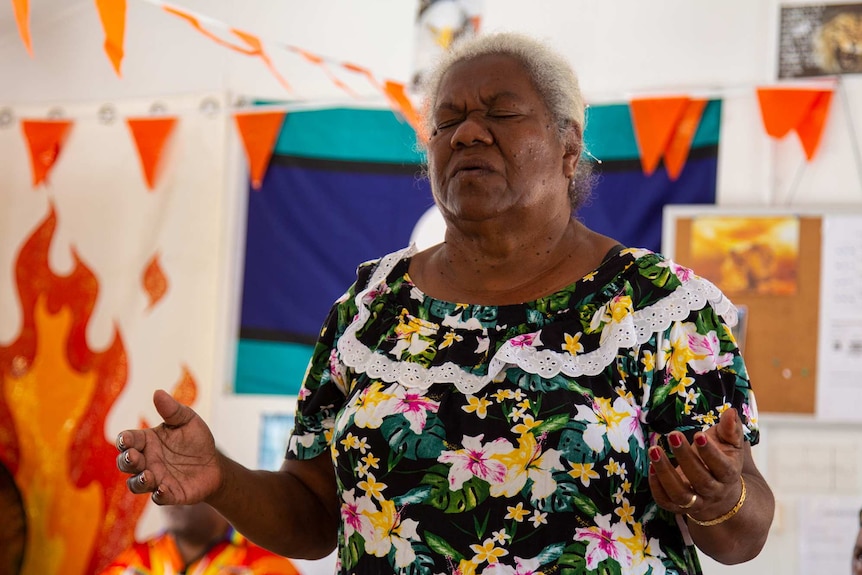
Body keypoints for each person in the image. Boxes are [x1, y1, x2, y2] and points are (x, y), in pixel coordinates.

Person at [115, 31, 775, 574]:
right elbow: (317, 515)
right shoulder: (369, 308)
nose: (467, 134)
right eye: (449, 120)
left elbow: (743, 533)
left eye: (500, 113)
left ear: (570, 148)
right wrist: (222, 477)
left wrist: (721, 498)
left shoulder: (659, 306)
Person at [97, 502, 302, 575]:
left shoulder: (267, 565)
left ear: (221, 496)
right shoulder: (133, 562)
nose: (166, 494)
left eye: (182, 483)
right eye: (162, 482)